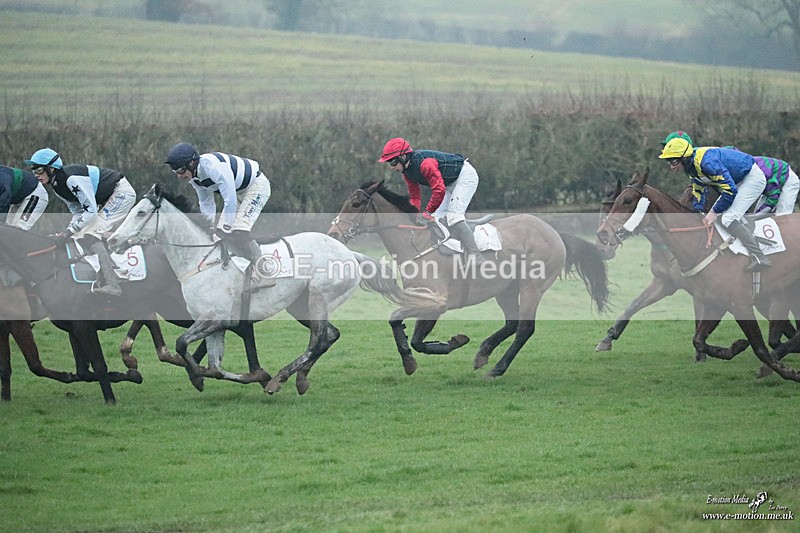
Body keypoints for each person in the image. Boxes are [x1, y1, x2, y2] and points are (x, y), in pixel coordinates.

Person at [24, 148, 136, 296]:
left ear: (51, 168)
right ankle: (115, 271)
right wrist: (68, 232)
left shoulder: (71, 179)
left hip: (121, 193)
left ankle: (113, 283)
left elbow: (90, 211)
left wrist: (68, 232)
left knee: (90, 234)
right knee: (79, 235)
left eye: (39, 170)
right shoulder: (57, 187)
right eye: (34, 171)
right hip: (106, 199)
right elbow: (78, 213)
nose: (36, 175)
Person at [163, 142, 272, 286]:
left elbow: (229, 199)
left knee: (239, 231)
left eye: (181, 170)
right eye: (175, 172)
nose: (179, 176)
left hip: (256, 188)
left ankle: (265, 271)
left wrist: (225, 228)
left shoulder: (212, 167)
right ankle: (243, 272)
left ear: (192, 163)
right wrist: (208, 227)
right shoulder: (194, 178)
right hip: (238, 193)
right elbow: (206, 203)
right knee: (219, 235)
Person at [659, 138, 770, 271]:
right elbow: (698, 190)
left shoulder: (707, 164)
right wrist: (698, 212)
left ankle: (760, 257)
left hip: (752, 179)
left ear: (685, 158)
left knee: (727, 219)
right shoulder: (691, 167)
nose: (672, 167)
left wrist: (712, 213)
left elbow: (730, 191)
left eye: (674, 162)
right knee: (718, 214)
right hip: (738, 180)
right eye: (669, 162)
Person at [377, 137, 486, 265]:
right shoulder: (407, 172)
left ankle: (476, 255)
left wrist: (427, 212)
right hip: (449, 183)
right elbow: (415, 196)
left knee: (454, 217)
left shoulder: (426, 164)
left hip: (464, 177)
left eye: (392, 162)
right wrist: (414, 213)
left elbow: (439, 190)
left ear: (403, 157)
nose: (391, 167)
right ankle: (452, 255)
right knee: (437, 219)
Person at [662, 131, 797, 215]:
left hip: (783, 179)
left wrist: (768, 207)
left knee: (780, 217)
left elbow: (773, 191)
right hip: (761, 183)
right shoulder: (697, 166)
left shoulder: (711, 163)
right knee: (756, 217)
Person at [0, 165, 48, 230]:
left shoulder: (2, 179)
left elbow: (3, 204)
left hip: (35, 195)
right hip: (19, 198)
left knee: (17, 230)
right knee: (8, 230)